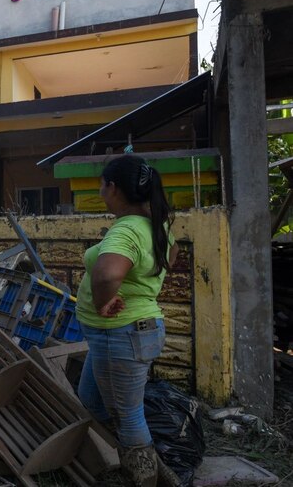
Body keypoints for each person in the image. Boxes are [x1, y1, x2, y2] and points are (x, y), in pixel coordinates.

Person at [75, 155, 180, 487]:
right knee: (92, 399)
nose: (101, 190)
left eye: (102, 185)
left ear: (113, 188)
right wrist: (138, 290)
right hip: (125, 334)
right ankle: (156, 469)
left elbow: (107, 274)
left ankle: (142, 477)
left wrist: (105, 300)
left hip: (120, 333)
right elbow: (171, 255)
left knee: (127, 415)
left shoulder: (127, 228)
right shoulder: (156, 224)